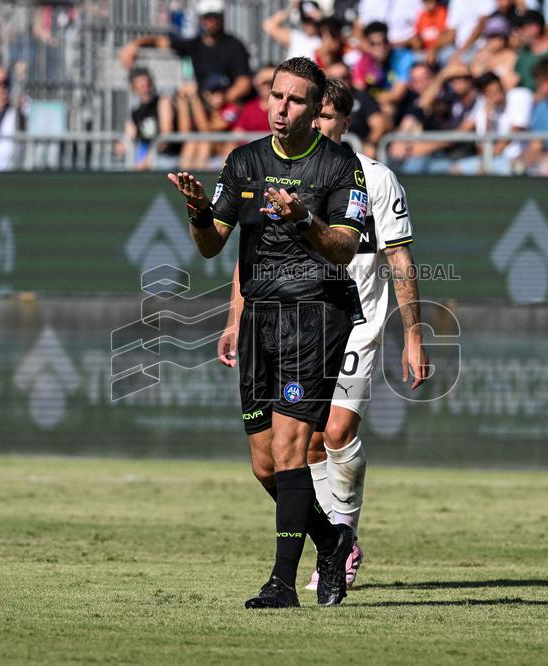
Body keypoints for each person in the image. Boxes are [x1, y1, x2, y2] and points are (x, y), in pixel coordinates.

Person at [166, 56, 367, 609]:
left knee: (289, 449)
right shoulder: (245, 161)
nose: (281, 108)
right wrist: (200, 213)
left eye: (296, 100)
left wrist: (304, 219)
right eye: (276, 96)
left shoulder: (338, 167)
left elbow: (346, 248)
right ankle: (332, 540)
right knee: (263, 464)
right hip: (259, 317)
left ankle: (282, 583)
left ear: (315, 106)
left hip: (314, 315)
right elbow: (212, 244)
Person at [218, 77, 428, 592]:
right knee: (290, 454)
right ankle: (332, 541)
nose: (318, 123)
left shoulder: (372, 178)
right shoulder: (273, 168)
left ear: (342, 122)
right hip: (282, 321)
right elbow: (254, 254)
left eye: (328, 116)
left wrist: (415, 334)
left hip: (351, 320)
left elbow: (399, 256)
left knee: (333, 431)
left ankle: (337, 544)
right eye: (318, 115)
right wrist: (233, 317)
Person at [120, 0, 252, 105]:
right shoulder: (194, 44)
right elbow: (161, 42)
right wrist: (135, 44)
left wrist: (221, 99)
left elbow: (244, 83)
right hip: (202, 106)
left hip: (230, 108)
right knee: (180, 100)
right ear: (201, 19)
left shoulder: (235, 46)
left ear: (222, 17)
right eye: (207, 17)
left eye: (215, 17)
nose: (211, 21)